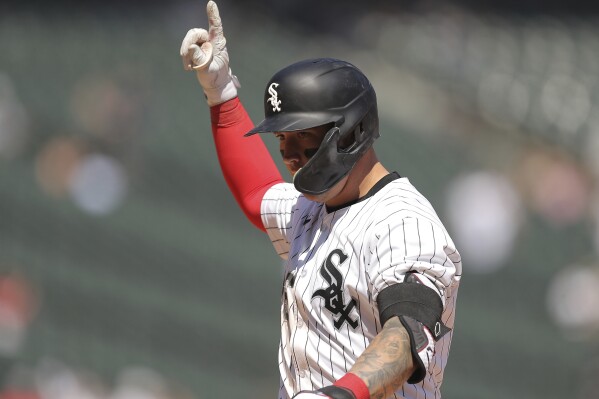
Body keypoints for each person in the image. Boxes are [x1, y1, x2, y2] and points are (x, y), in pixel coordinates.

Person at [180, 2, 462, 399]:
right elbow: (256, 195)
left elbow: (408, 332)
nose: (290, 154)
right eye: (282, 139)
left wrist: (341, 395)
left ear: (351, 132)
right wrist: (221, 93)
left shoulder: (404, 221)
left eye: (304, 137)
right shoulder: (310, 209)